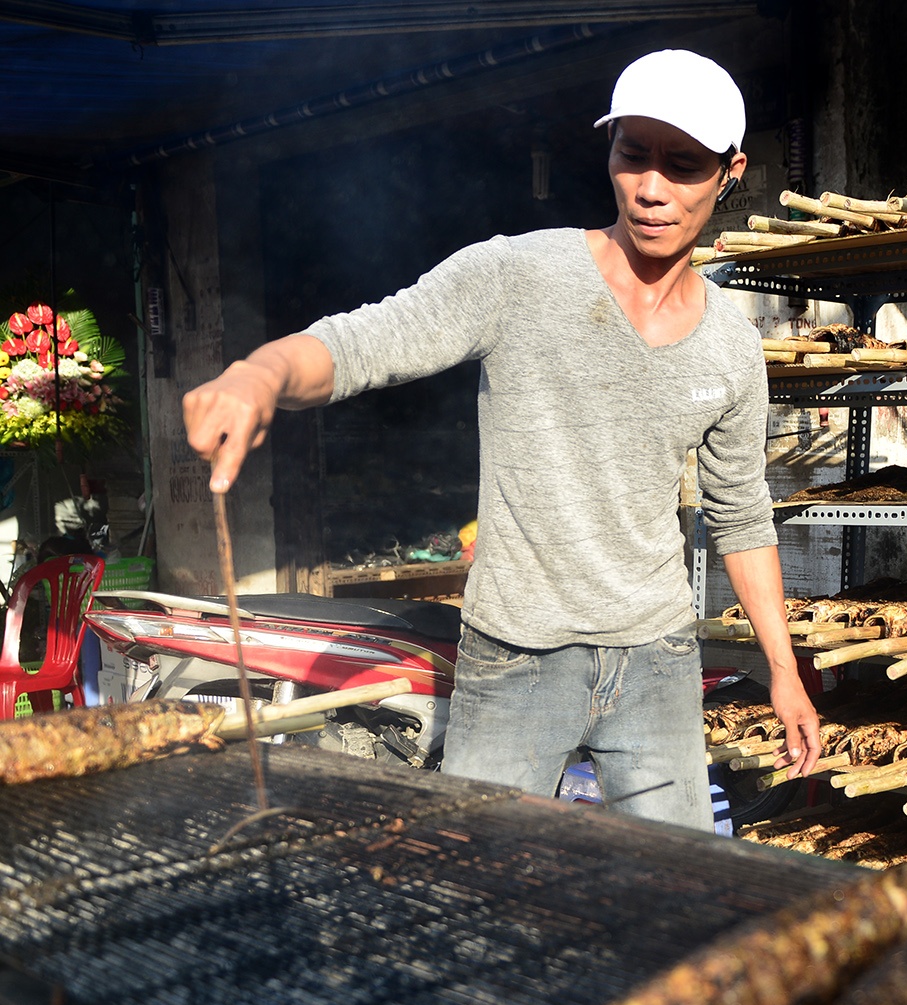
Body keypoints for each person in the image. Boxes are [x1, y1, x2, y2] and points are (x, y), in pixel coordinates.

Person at [179, 49, 822, 829]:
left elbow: (741, 514)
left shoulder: (731, 346)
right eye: (632, 155)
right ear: (610, 151)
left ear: (731, 171)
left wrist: (783, 671)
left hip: (656, 662)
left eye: (683, 165)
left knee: (675, 899)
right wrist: (261, 373)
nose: (651, 188)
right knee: (477, 886)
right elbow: (365, 342)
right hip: (515, 662)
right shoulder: (517, 276)